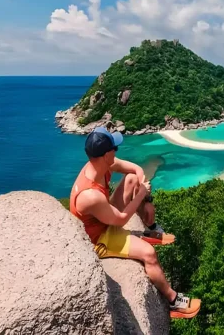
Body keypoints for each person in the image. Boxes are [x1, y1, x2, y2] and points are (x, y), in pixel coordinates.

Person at [69, 127, 200, 319]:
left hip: (104, 217)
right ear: (107, 155)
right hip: (98, 238)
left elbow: (136, 170)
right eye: (115, 148)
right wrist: (140, 194)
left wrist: (147, 201)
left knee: (131, 179)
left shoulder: (100, 165)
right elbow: (121, 219)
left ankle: (150, 229)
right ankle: (173, 302)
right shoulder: (90, 195)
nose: (116, 150)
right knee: (149, 254)